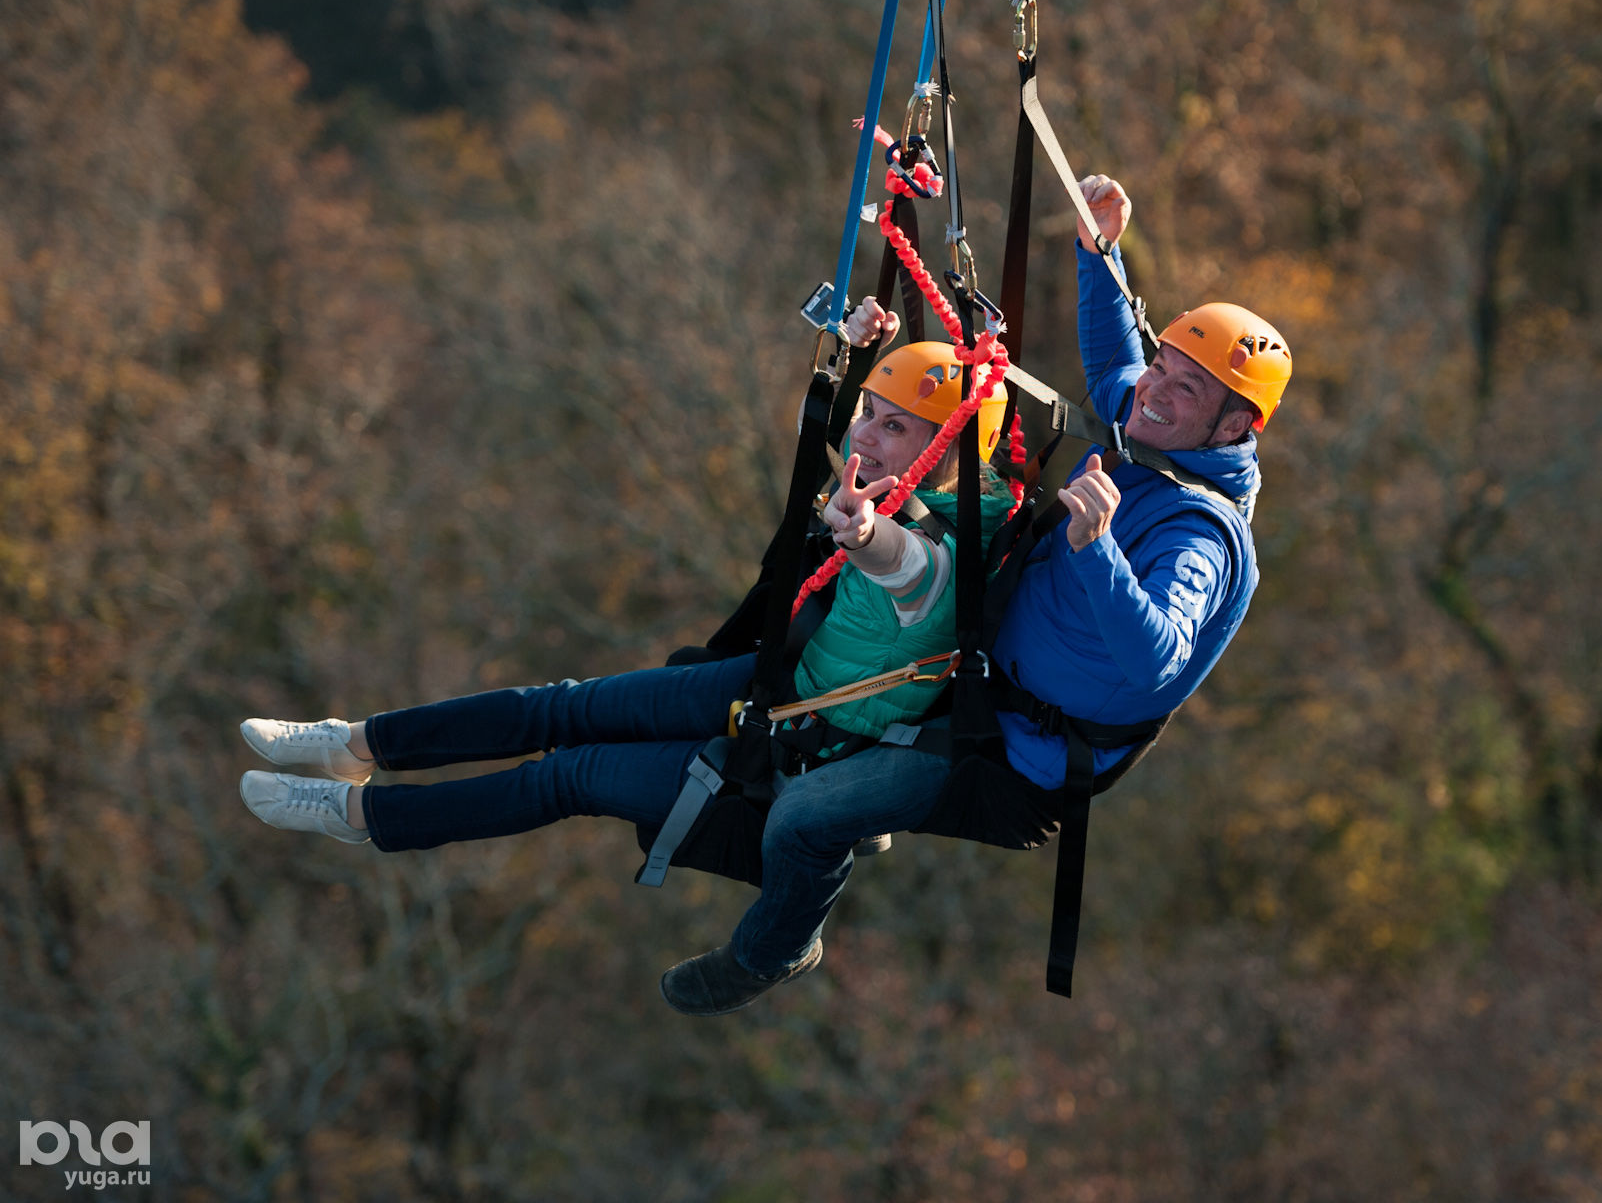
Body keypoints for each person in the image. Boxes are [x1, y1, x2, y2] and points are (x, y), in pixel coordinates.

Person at [615, 171, 1289, 1010]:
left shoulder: (1201, 536)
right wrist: (1099, 255)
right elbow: (1119, 364)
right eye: (1163, 367)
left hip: (1016, 760)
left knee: (804, 820)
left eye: (1183, 388)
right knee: (748, 689)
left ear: (1235, 428)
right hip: (965, 680)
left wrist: (1096, 550)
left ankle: (770, 952)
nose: (1150, 390)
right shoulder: (1155, 429)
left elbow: (1158, 661)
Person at [238, 297, 1012, 1015]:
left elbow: (903, 565)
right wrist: (858, 363)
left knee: (566, 775)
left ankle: (359, 815)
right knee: (562, 704)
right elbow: (862, 479)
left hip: (797, 750)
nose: (866, 437)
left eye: (894, 428)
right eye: (868, 417)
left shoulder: (940, 559)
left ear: (947, 451)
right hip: (777, 684)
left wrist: (865, 533)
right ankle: (354, 743)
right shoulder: (891, 489)